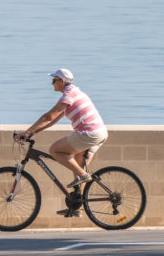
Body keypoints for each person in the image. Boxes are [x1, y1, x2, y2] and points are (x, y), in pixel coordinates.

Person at [14, 68, 108, 217]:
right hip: (99, 133)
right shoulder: (73, 93)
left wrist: (26, 132)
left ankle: (83, 175)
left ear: (61, 81)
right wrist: (32, 132)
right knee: (78, 165)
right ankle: (77, 205)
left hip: (89, 133)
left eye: (53, 80)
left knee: (55, 150)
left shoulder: (69, 95)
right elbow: (52, 121)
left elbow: (48, 116)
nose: (51, 84)